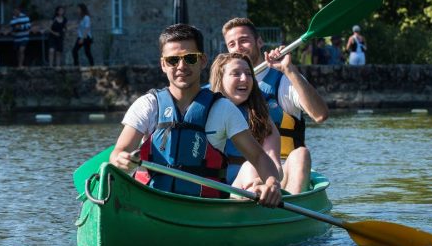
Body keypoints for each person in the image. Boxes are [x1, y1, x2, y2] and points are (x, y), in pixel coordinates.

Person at [109, 23, 281, 207]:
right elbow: (120, 151)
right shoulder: (147, 105)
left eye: (190, 58)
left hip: (204, 207)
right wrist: (121, 160)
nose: (181, 66)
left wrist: (272, 183)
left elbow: (258, 157)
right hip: (151, 201)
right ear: (163, 64)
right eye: (173, 60)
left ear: (203, 61)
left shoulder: (223, 109)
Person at [222, 17, 329, 194]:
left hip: (281, 175)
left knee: (301, 154)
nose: (238, 48)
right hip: (234, 177)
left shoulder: (283, 81)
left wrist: (289, 69)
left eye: (244, 40)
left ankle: (292, 210)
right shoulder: (218, 89)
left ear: (259, 42)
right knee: (250, 167)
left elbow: (320, 115)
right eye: (231, 44)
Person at [209, 52, 284, 190]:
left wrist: (270, 181)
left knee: (301, 154)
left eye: (249, 74)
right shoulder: (205, 110)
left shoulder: (261, 115)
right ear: (220, 78)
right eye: (236, 73)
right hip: (216, 187)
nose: (244, 78)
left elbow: (274, 163)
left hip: (253, 186)